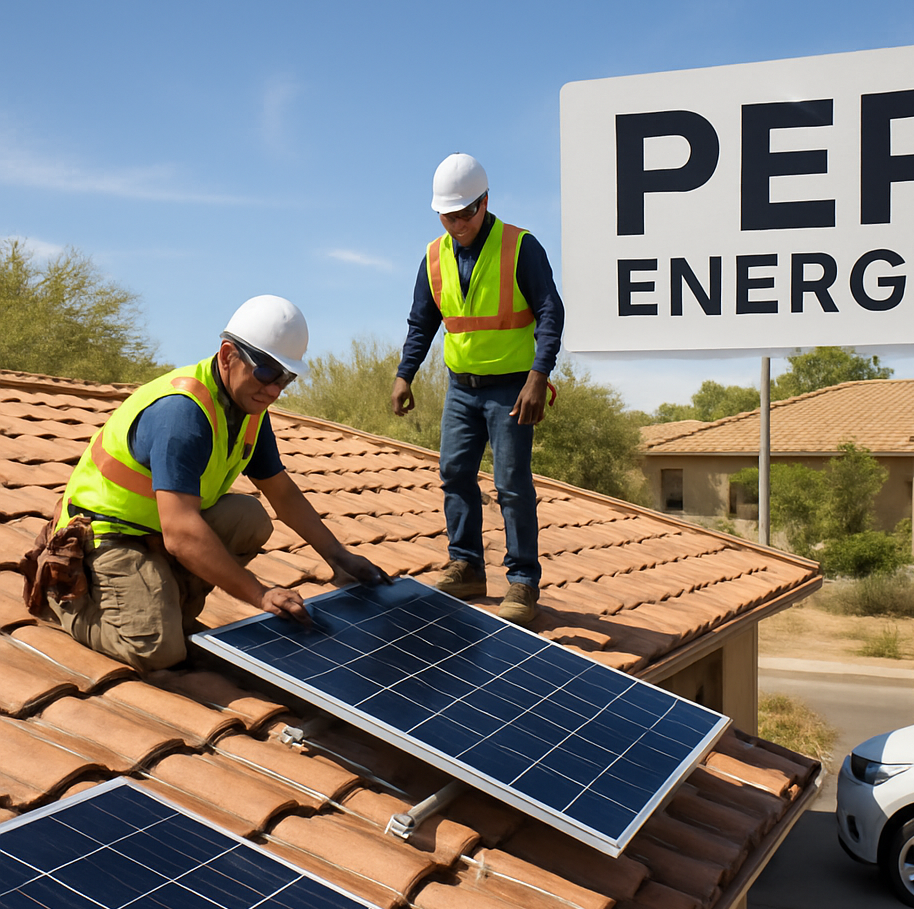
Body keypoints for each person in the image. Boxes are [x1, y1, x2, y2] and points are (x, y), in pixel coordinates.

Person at [28, 294, 389, 673]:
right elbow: (181, 534)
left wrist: (338, 556)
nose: (274, 390)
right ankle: (65, 602)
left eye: (285, 377)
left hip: (156, 532)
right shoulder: (180, 415)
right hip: (106, 538)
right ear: (228, 355)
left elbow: (281, 492)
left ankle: (166, 602)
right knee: (157, 651)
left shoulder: (249, 408)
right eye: (266, 372)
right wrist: (260, 594)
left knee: (250, 517)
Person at [391, 153, 563, 625]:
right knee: (454, 473)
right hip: (461, 388)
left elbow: (551, 313)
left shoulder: (521, 247)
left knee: (511, 485)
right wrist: (405, 373)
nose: (459, 223)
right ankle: (466, 566)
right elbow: (422, 322)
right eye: (449, 215)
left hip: (512, 388)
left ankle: (523, 583)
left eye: (467, 212)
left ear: (485, 202)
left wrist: (538, 376)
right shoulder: (433, 256)